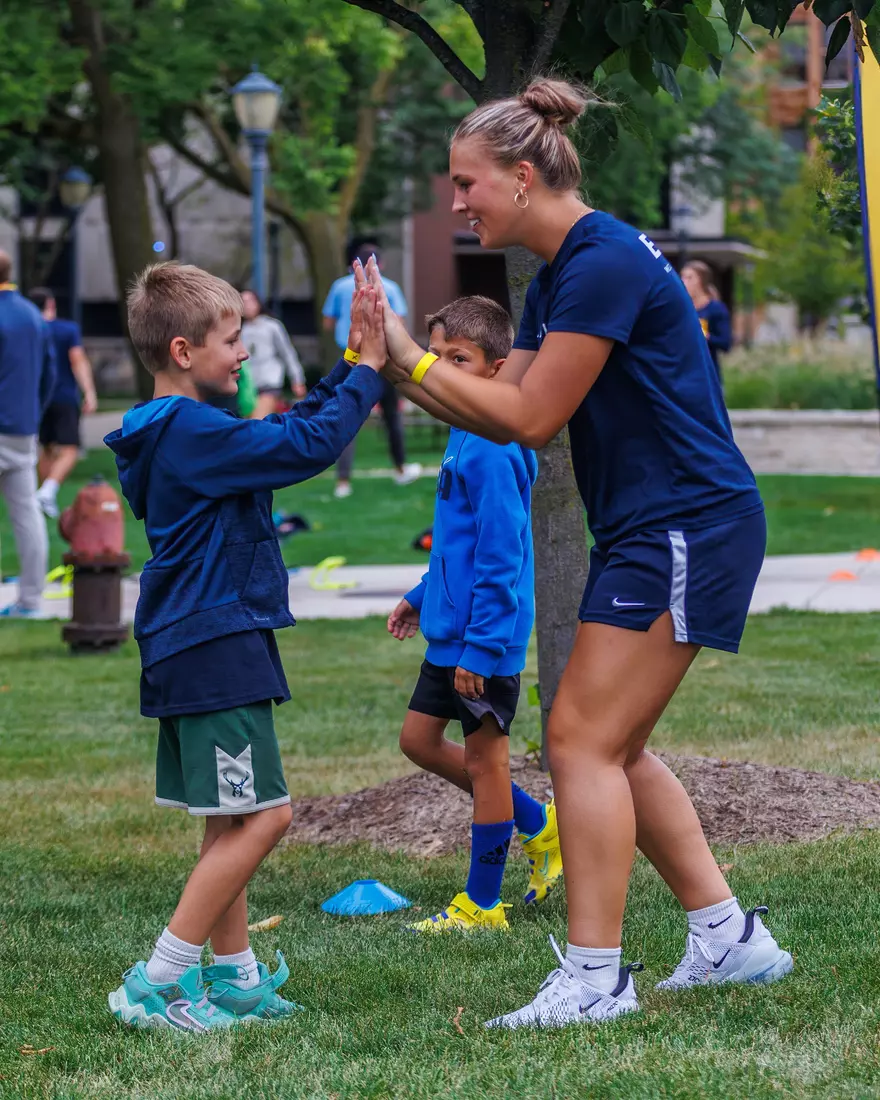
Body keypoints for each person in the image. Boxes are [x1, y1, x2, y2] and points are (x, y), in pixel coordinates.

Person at [364, 76, 791, 1030]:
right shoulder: (566, 272)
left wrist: (411, 352)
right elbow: (498, 416)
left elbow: (535, 413)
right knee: (613, 743)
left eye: (466, 183)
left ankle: (596, 977)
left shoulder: (597, 262)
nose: (458, 201)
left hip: (687, 522)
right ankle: (727, 937)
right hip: (657, 525)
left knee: (579, 741)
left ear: (521, 176)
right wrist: (396, 362)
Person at [103, 262, 388, 1032]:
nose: (243, 355)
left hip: (204, 636)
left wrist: (349, 364)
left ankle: (234, 981)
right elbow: (305, 449)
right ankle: (157, 981)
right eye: (232, 342)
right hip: (212, 638)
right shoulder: (190, 431)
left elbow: (281, 433)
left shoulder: (180, 429)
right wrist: (367, 371)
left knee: (229, 818)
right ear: (184, 350)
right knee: (266, 817)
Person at [387, 295, 562, 933]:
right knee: (419, 741)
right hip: (452, 631)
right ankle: (539, 826)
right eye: (435, 358)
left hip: (483, 641)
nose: (443, 369)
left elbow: (501, 551)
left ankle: (483, 904)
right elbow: (459, 541)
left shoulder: (491, 445)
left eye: (458, 358)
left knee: (486, 762)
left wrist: (484, 648)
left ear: (496, 368)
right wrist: (421, 591)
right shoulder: (465, 430)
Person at [323, 243, 421, 498]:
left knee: (346, 413)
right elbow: (398, 323)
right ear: (380, 263)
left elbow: (327, 322)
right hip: (382, 357)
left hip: (350, 355)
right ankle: (400, 469)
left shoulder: (339, 287)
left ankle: (343, 481)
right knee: (391, 416)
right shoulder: (391, 287)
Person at [0, 252, 56, 618]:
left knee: (27, 513)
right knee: (27, 514)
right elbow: (49, 375)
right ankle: (32, 599)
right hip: (23, 427)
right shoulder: (34, 316)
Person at [27, 288, 98, 519]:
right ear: (51, 305)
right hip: (64, 396)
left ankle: (43, 500)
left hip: (37, 397)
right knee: (70, 449)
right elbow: (77, 360)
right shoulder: (67, 329)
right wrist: (89, 391)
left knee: (46, 448)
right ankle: (47, 492)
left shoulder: (28, 329)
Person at [240, 289, 307, 419]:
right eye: (243, 302)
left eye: (250, 301)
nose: (247, 305)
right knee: (249, 427)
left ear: (258, 302)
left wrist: (297, 379)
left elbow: (287, 353)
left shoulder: (272, 326)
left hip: (269, 383)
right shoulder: (240, 330)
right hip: (248, 387)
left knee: (257, 423)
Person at [681, 261, 732, 379]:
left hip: (708, 376)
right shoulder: (682, 308)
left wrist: (705, 336)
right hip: (683, 375)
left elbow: (726, 343)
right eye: (682, 276)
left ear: (701, 281)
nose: (684, 281)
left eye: (689, 277)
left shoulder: (715, 309)